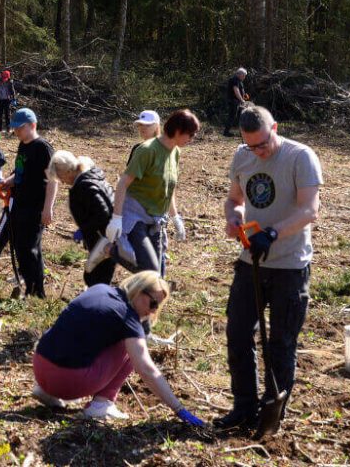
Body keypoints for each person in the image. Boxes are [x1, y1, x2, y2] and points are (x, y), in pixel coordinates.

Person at [215, 104, 322, 434]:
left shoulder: (300, 157)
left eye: (263, 144)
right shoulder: (242, 156)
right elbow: (234, 199)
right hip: (251, 264)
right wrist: (233, 217)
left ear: (274, 128)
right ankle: (243, 407)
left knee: (281, 343)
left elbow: (310, 210)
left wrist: (272, 234)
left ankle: (272, 413)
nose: (258, 152)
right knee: (237, 334)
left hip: (290, 266)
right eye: (252, 146)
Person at [31, 271, 205, 426]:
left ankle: (46, 391)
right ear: (139, 290)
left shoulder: (99, 289)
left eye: (157, 307)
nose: (152, 312)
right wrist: (179, 408)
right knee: (133, 344)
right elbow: (146, 368)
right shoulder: (128, 317)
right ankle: (101, 404)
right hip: (67, 381)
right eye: (153, 304)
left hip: (40, 367)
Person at [105, 110, 199, 278]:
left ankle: (140, 292)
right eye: (190, 134)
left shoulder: (175, 152)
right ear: (178, 131)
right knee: (150, 271)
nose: (191, 139)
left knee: (158, 277)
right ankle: (110, 249)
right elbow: (123, 183)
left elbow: (168, 187)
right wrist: (116, 218)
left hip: (156, 218)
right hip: (135, 216)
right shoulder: (147, 150)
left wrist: (175, 217)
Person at [0, 108, 56, 298]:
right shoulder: (23, 146)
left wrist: (48, 209)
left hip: (35, 207)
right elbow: (20, 173)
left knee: (30, 249)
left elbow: (53, 180)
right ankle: (30, 288)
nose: (16, 132)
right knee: (21, 248)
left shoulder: (42, 148)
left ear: (32, 125)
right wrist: (7, 182)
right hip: (18, 203)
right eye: (15, 128)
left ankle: (36, 293)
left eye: (20, 128)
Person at [48, 150, 128, 287]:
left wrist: (84, 230)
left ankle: (105, 299)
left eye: (60, 176)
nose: (61, 181)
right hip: (107, 236)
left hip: (105, 239)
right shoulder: (90, 176)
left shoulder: (85, 186)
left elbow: (103, 213)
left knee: (95, 279)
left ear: (68, 171)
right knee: (94, 277)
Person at [223, 68, 251, 137]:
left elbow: (240, 90)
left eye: (245, 76)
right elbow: (236, 90)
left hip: (237, 101)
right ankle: (226, 132)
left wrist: (244, 95)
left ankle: (241, 132)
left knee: (239, 117)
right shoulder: (234, 80)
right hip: (233, 101)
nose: (244, 77)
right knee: (232, 116)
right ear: (239, 74)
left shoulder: (239, 81)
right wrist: (242, 100)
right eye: (243, 75)